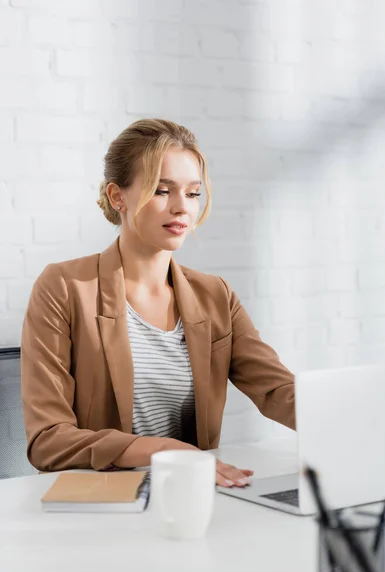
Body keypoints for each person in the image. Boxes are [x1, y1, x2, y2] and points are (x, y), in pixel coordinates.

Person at [21, 118, 295, 488]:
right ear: (119, 197)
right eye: (163, 190)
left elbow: (277, 391)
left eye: (193, 193)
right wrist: (161, 450)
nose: (182, 208)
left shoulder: (216, 296)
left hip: (191, 497)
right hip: (99, 506)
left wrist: (356, 418)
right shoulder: (65, 287)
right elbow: (47, 440)